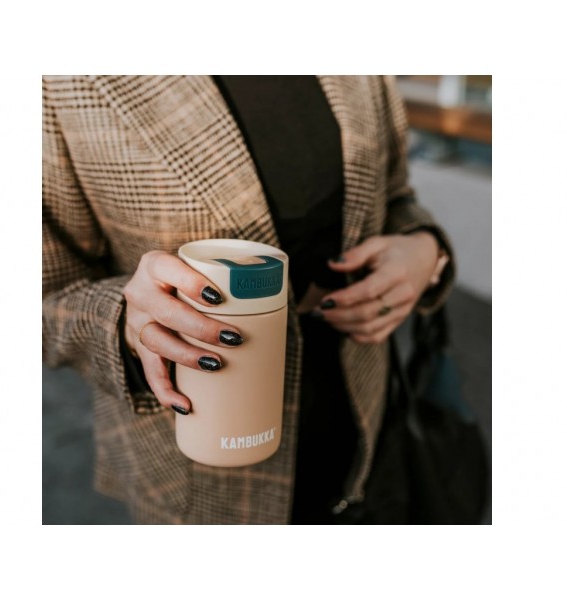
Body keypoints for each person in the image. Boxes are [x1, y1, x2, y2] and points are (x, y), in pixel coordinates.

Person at [43, 75, 454, 525]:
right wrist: (126, 322)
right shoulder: (63, 80)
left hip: (366, 424)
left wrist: (424, 249)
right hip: (198, 473)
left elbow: (394, 193)